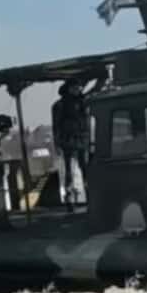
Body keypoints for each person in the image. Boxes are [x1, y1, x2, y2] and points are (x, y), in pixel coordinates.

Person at [51, 78, 94, 207]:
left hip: (81, 140)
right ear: (69, 89)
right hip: (69, 140)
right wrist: (57, 143)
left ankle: (89, 196)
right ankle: (69, 197)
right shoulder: (60, 105)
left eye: (79, 87)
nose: (78, 89)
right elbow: (56, 126)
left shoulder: (83, 102)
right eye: (75, 87)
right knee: (69, 170)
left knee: (85, 170)